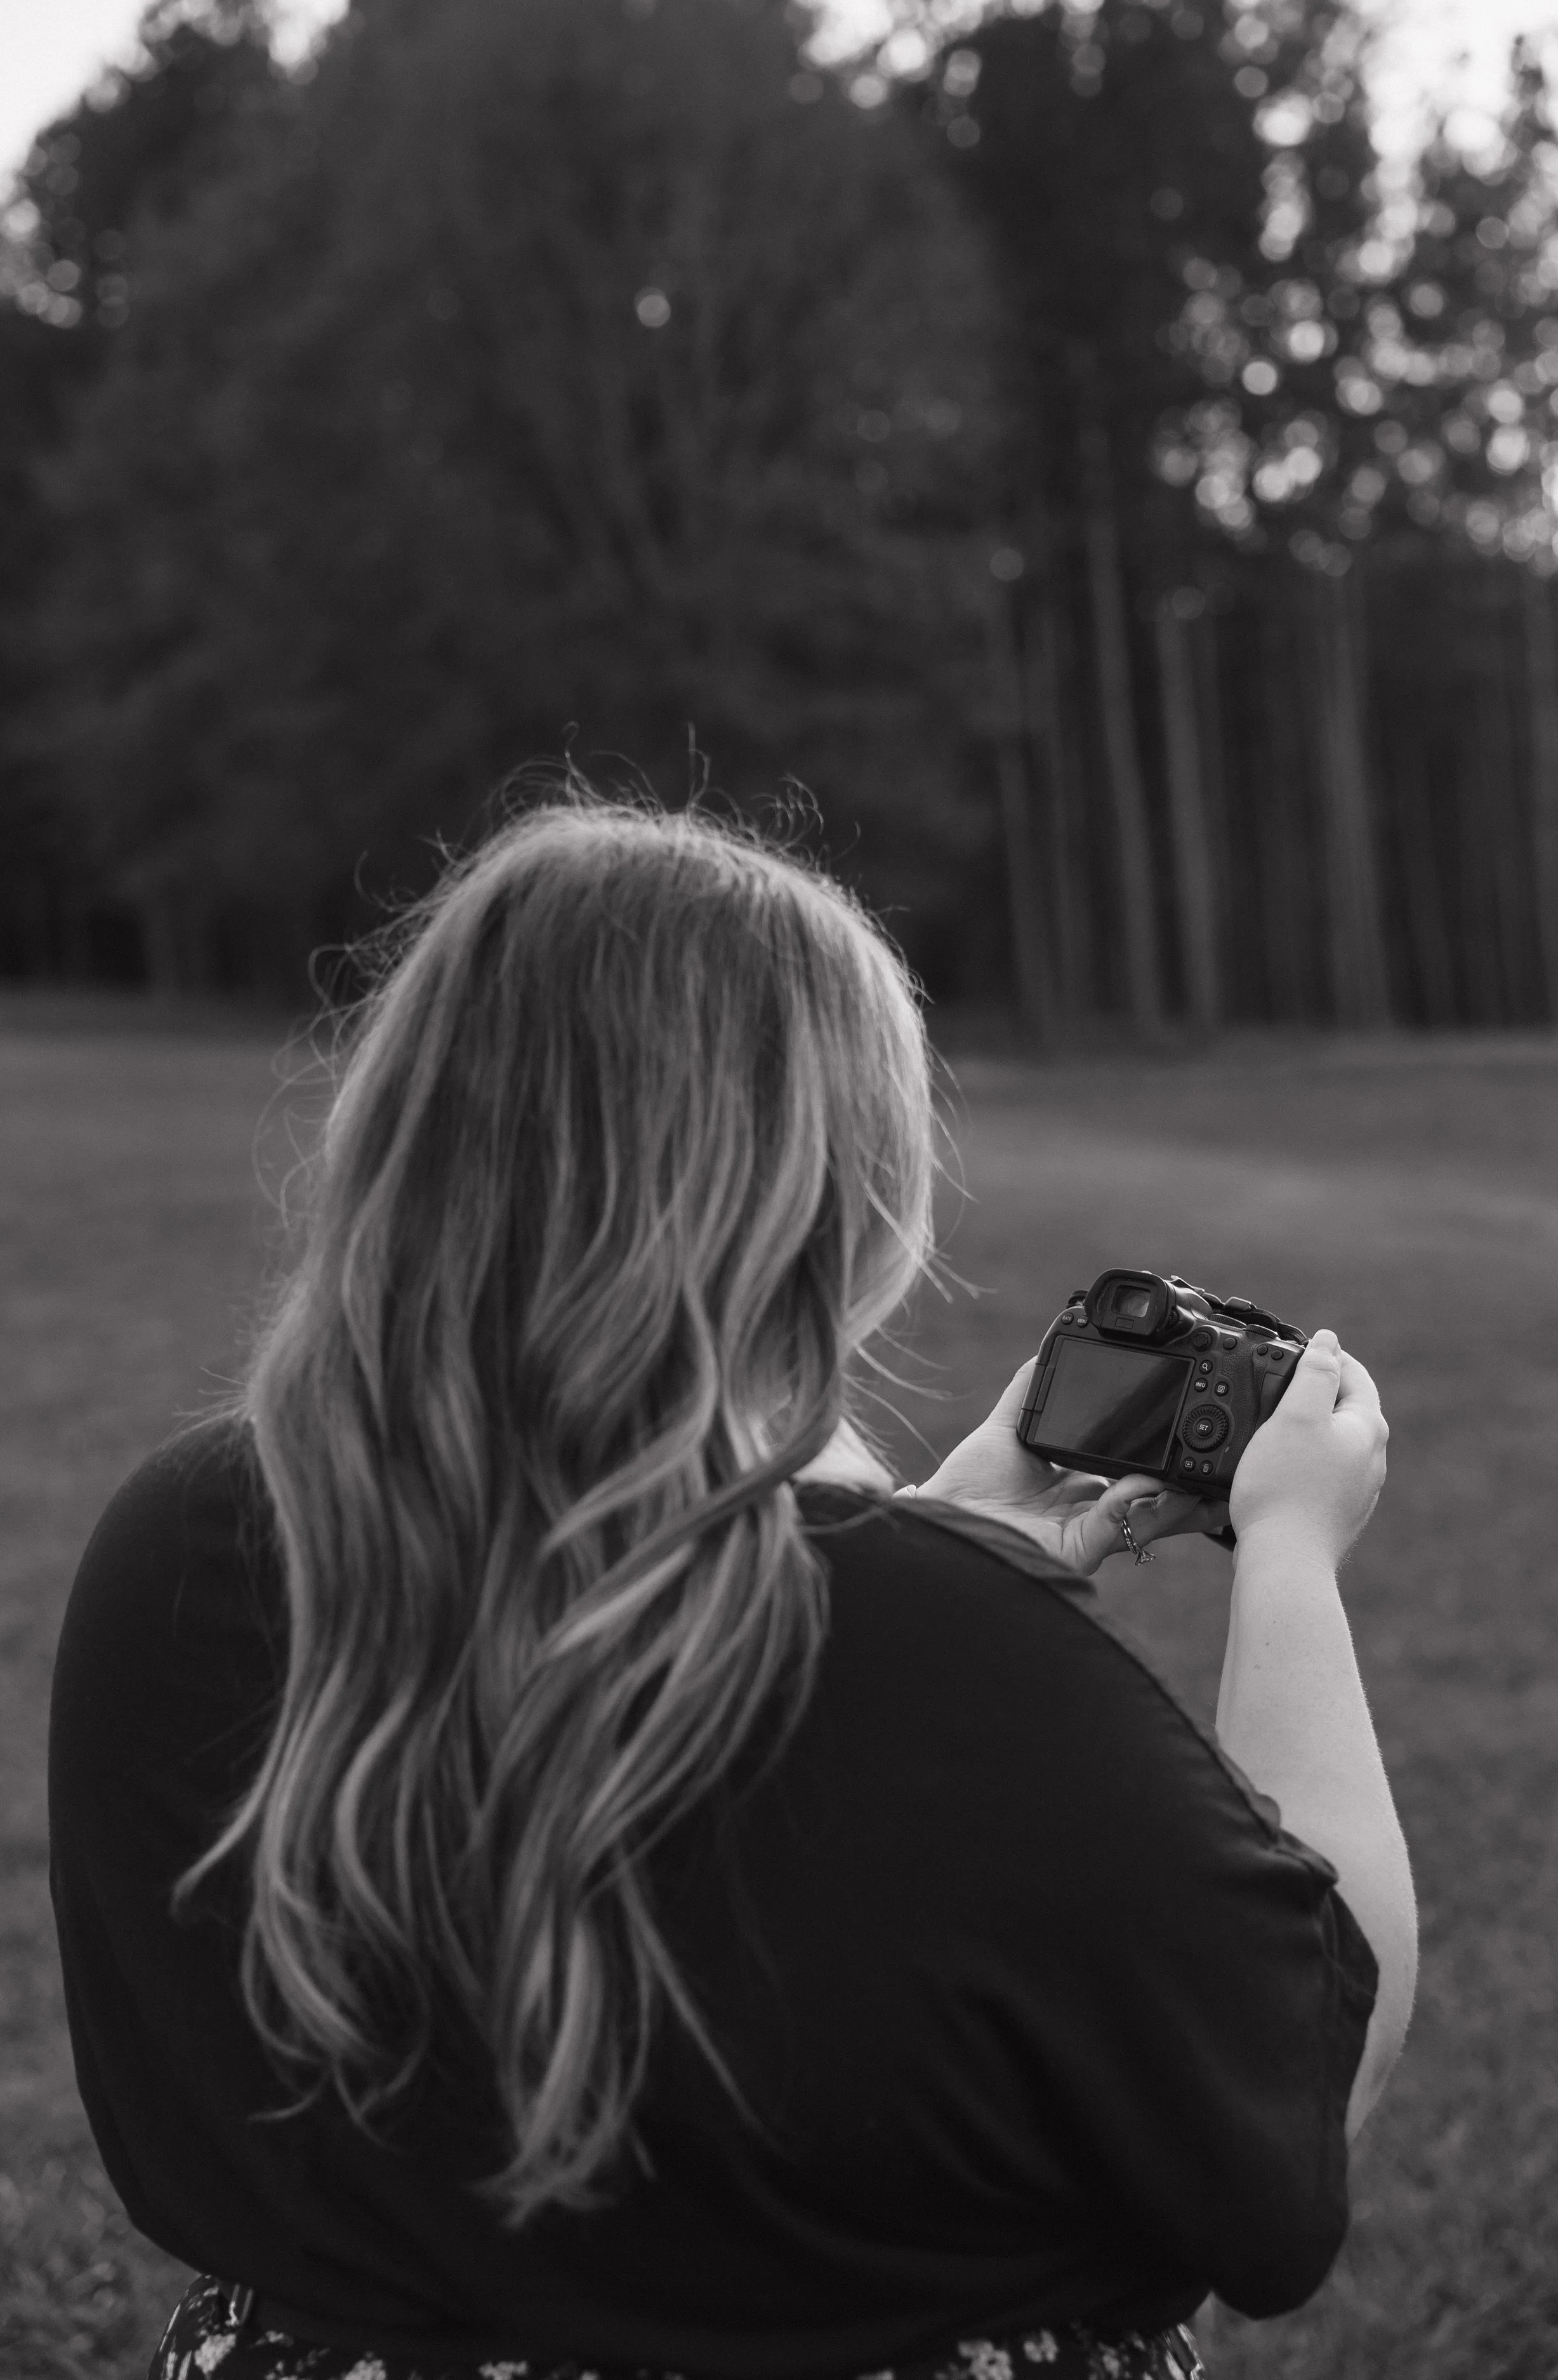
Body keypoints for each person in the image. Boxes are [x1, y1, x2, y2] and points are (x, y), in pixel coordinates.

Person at [48, 797, 1415, 2380]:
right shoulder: (943, 1662)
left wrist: (926, 1546)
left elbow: (657, 1708)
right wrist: (1293, 1568)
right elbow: (1298, 2084)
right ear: (840, 1202)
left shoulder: (178, 1541)